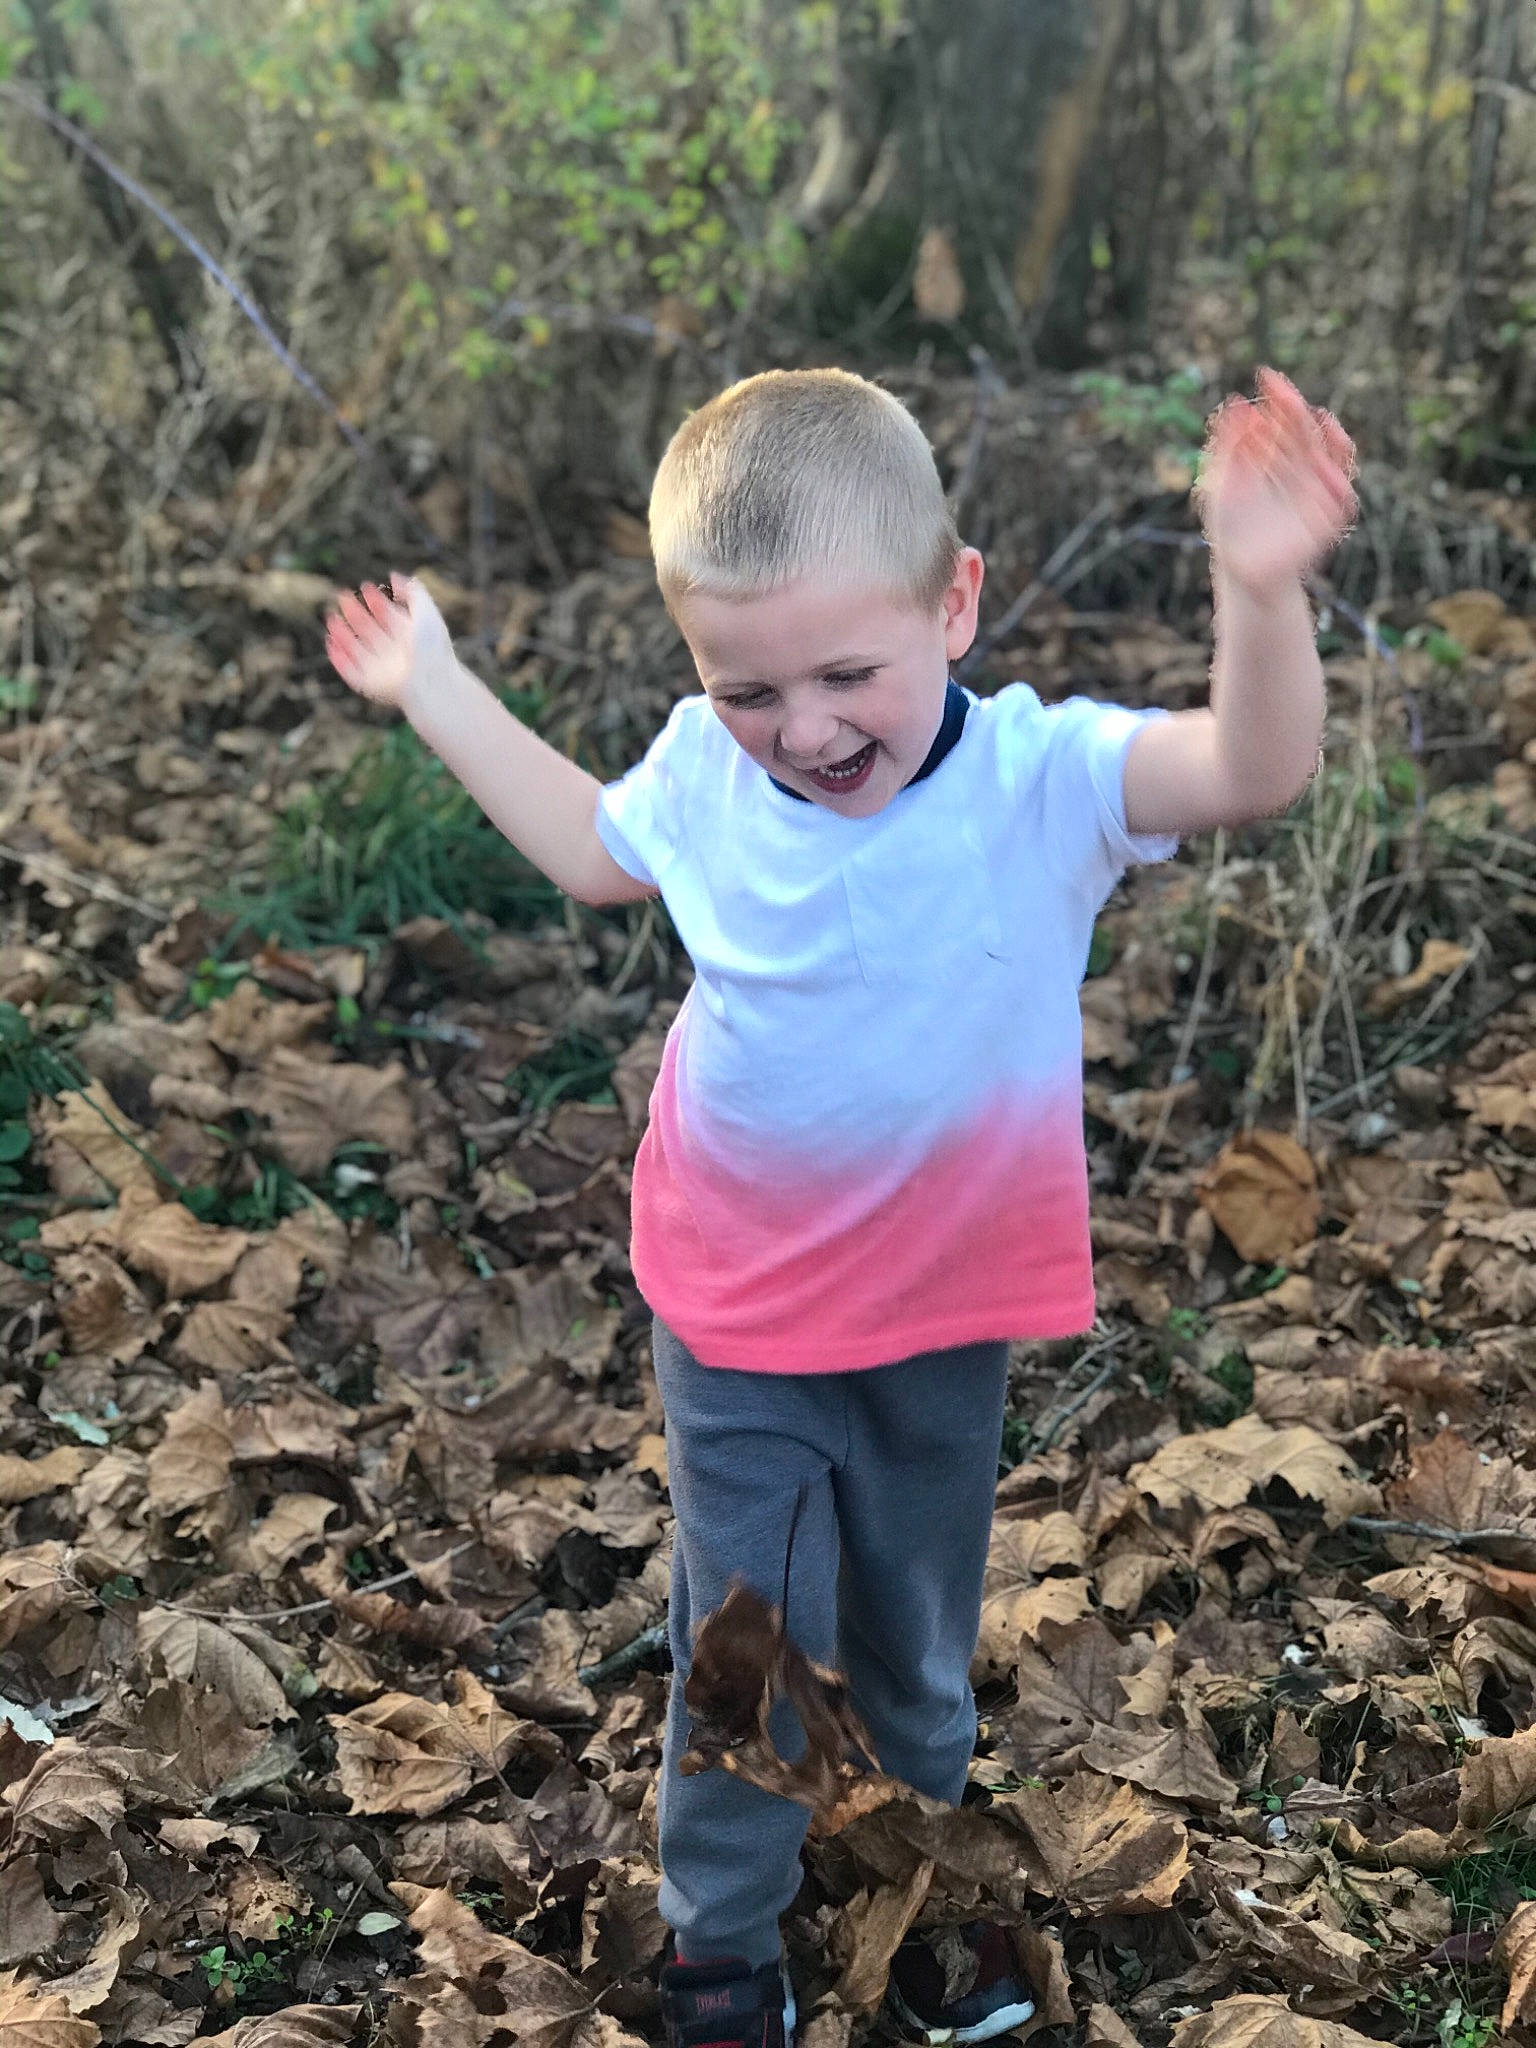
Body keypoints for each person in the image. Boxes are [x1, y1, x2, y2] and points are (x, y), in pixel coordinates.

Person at [326, 364, 1356, 2047]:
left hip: (944, 1315)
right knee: (753, 1639)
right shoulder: (707, 773)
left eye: (846, 672)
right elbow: (592, 848)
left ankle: (904, 1880)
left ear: (953, 606)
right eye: (747, 687)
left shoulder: (1043, 783)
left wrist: (1259, 583)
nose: (801, 728)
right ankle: (720, 1941)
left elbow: (1250, 768)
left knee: (914, 1646)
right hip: (737, 1307)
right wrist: (434, 685)